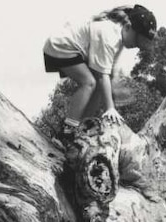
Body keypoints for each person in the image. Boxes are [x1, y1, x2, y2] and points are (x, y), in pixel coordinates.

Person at [43, 5, 156, 142]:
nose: (136, 45)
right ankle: (68, 130)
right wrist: (110, 108)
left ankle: (81, 130)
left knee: (98, 88)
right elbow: (103, 76)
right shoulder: (109, 35)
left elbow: (110, 73)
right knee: (89, 82)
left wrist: (115, 94)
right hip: (61, 46)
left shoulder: (119, 40)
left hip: (73, 50)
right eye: (137, 40)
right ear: (127, 27)